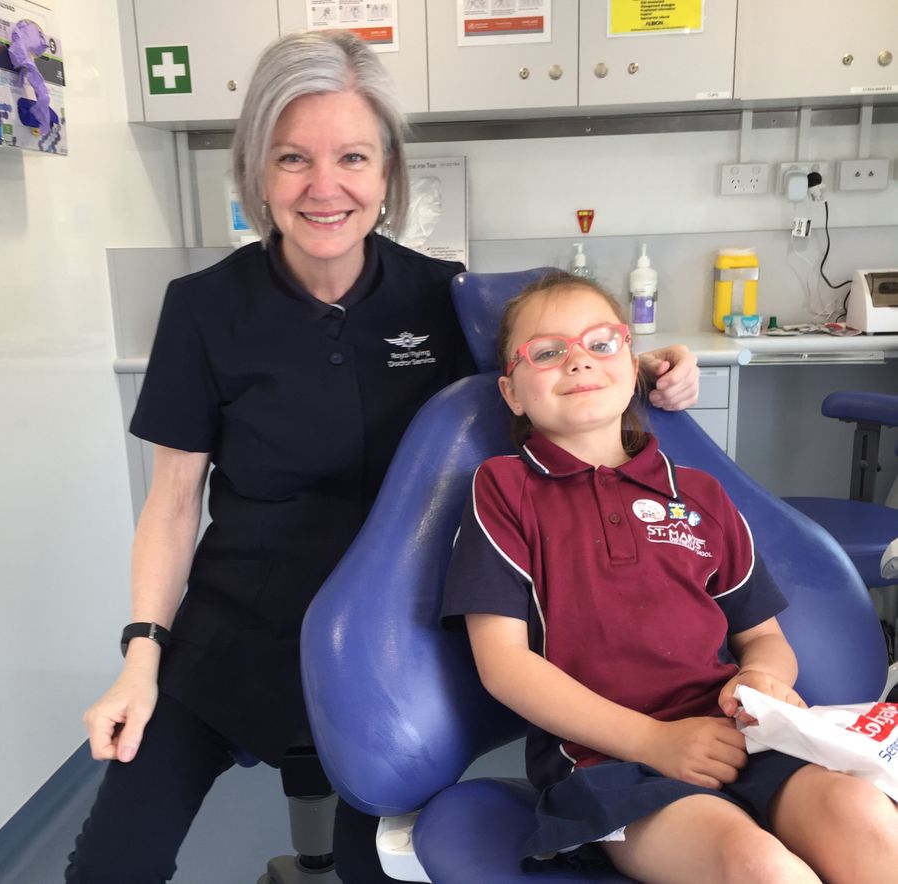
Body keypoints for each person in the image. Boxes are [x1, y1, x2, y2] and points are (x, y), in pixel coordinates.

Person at [66, 31, 700, 884]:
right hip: (235, 632)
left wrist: (646, 371)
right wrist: (140, 660)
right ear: (256, 172)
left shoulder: (448, 296)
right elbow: (173, 504)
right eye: (293, 158)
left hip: (392, 643)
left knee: (383, 874)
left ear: (389, 173)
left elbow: (559, 377)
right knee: (109, 865)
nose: (324, 187)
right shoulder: (202, 309)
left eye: (352, 157)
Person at [441, 272, 898, 883]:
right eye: (547, 353)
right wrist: (655, 743)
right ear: (513, 392)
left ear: (633, 366)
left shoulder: (702, 496)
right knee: (756, 864)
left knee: (862, 812)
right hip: (608, 763)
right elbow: (504, 666)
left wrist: (764, 678)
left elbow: (762, 637)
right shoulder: (503, 490)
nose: (577, 361)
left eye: (600, 343)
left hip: (739, 737)